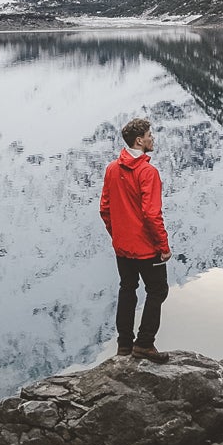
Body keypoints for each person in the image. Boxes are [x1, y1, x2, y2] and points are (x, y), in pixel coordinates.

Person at [99, 117, 172, 362]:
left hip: (123, 248)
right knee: (157, 290)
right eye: (150, 135)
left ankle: (123, 345)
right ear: (140, 141)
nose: (153, 139)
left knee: (127, 290)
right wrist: (163, 246)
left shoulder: (112, 169)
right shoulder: (147, 172)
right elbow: (152, 214)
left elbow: (105, 209)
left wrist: (117, 235)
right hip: (146, 249)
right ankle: (144, 344)